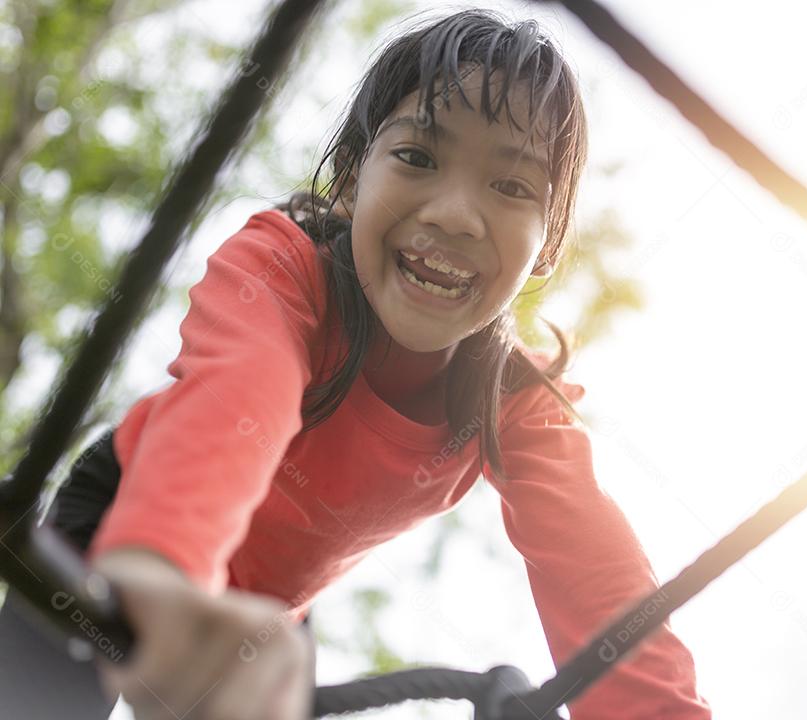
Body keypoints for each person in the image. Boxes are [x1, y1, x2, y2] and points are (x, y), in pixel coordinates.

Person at [0, 8, 712, 719]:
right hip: (132, 517)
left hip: (275, 608)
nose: (456, 214)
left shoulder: (512, 398)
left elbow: (596, 572)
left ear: (548, 246)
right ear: (349, 179)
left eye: (513, 186)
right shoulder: (283, 270)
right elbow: (240, 395)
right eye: (418, 157)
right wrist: (161, 561)